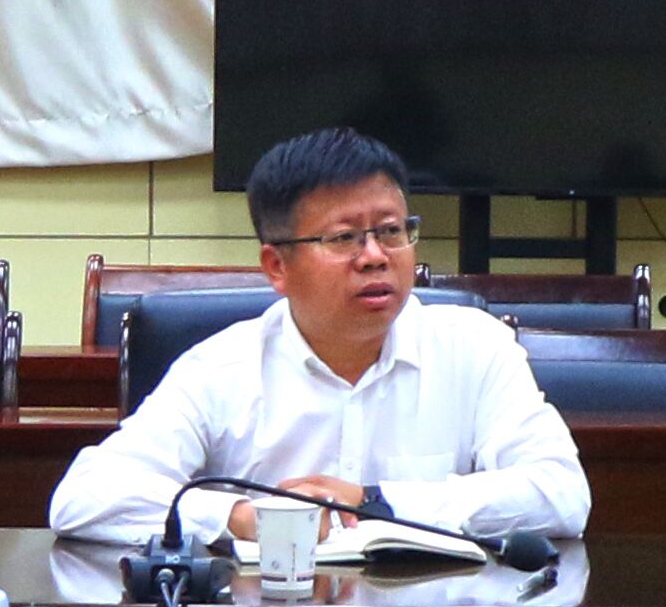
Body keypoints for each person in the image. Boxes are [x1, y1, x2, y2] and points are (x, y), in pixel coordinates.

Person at [49, 127, 590, 545]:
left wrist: (376, 503)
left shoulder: (475, 348)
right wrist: (242, 516)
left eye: (392, 231)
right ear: (276, 266)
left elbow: (562, 495)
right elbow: (84, 497)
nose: (375, 256)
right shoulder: (220, 369)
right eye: (344, 238)